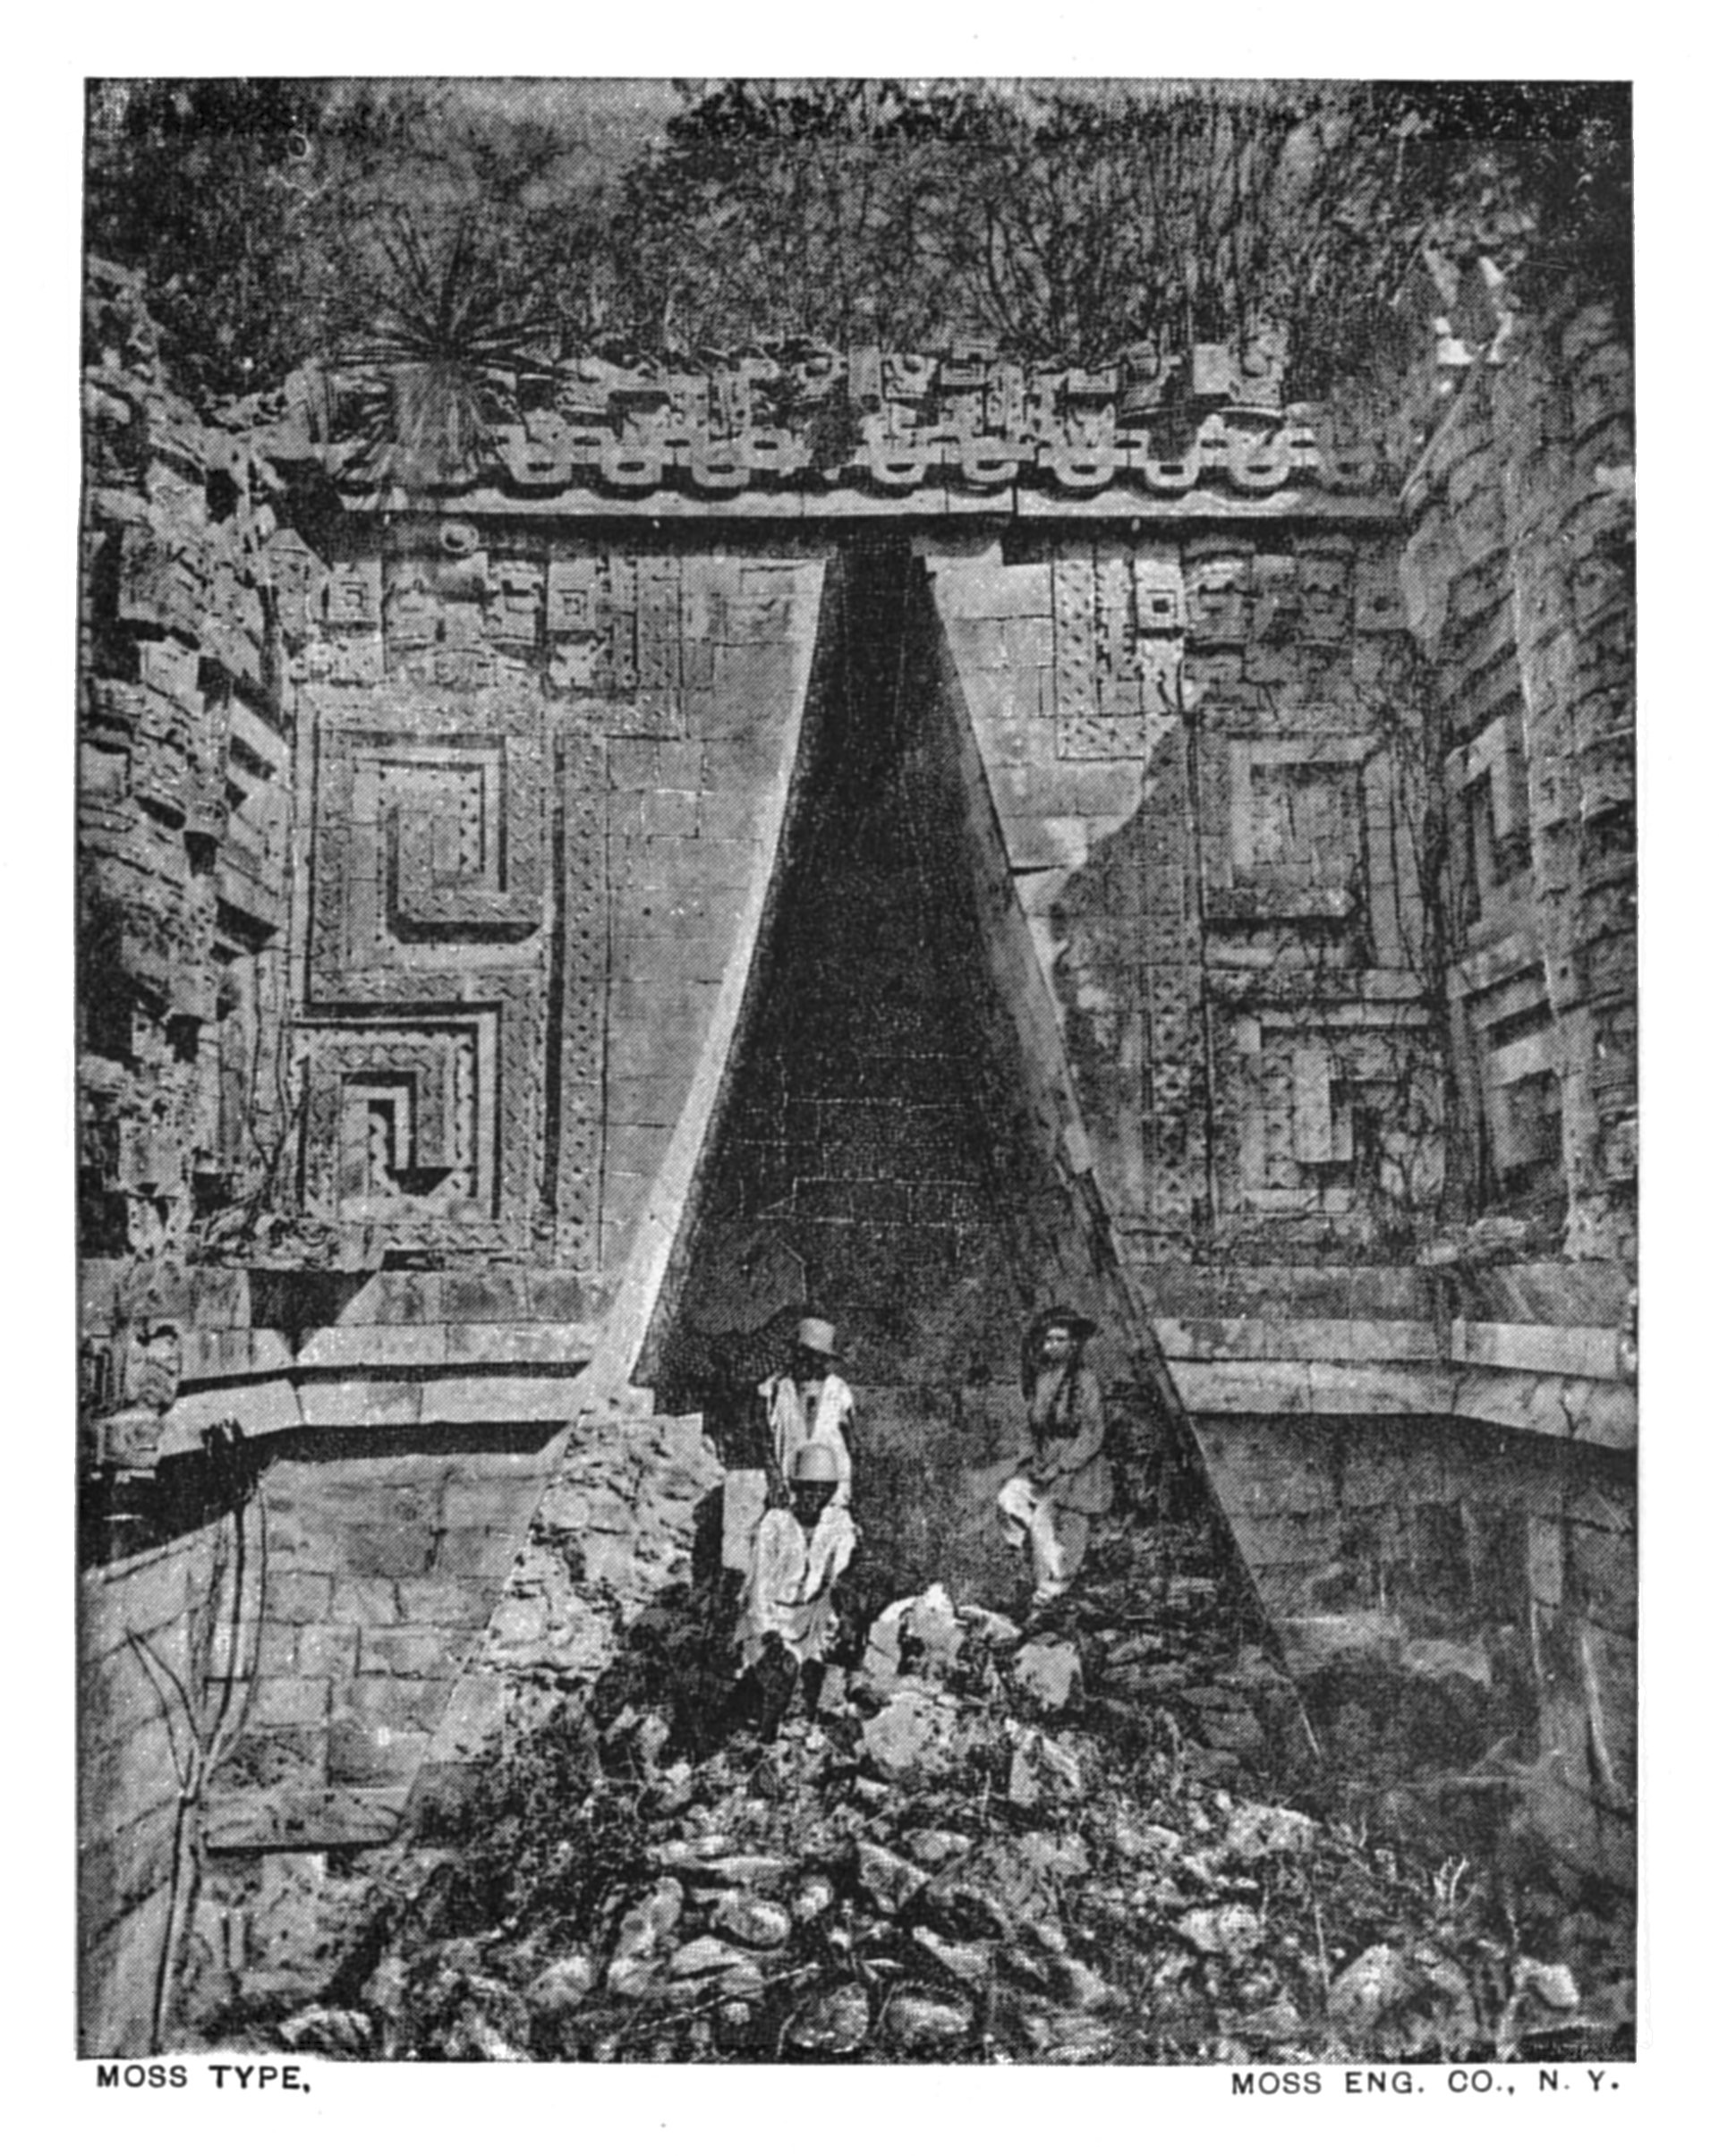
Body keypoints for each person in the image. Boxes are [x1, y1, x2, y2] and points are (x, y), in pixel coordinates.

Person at [997, 1304, 1112, 1610]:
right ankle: (1020, 1553)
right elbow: (1031, 1427)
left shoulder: (1086, 1381)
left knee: (1053, 1523)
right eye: (1048, 1340)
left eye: (1059, 1340)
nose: (1052, 1346)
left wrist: (1063, 1466)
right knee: (1010, 1498)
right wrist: (1031, 1462)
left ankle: (1050, 1595)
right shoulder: (1042, 1379)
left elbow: (1093, 1431)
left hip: (1078, 1465)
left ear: (1073, 1344)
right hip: (1045, 1461)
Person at [733, 1439, 858, 1712]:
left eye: (824, 1489)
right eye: (809, 1487)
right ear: (796, 1488)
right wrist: (768, 1633)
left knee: (815, 1679)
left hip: (809, 1618)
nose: (816, 1496)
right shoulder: (775, 1524)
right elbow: (758, 1586)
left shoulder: (837, 1526)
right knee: (772, 1678)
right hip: (772, 1617)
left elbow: (838, 1578)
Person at [756, 1314, 855, 1513]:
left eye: (817, 1356)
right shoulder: (777, 1389)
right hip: (789, 1490)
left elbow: (851, 1441)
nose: (810, 1361)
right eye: (805, 1354)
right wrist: (774, 1477)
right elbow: (764, 1438)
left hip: (831, 1492)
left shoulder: (838, 1390)